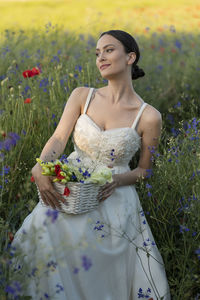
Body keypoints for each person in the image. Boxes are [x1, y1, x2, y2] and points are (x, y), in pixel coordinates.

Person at [11, 30, 171, 299]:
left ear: (130, 57)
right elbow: (59, 138)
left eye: (109, 50)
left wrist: (116, 180)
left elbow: (144, 171)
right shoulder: (82, 96)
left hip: (114, 198)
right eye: (97, 53)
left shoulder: (149, 116)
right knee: (46, 239)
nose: (101, 58)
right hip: (70, 189)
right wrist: (41, 165)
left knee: (102, 276)